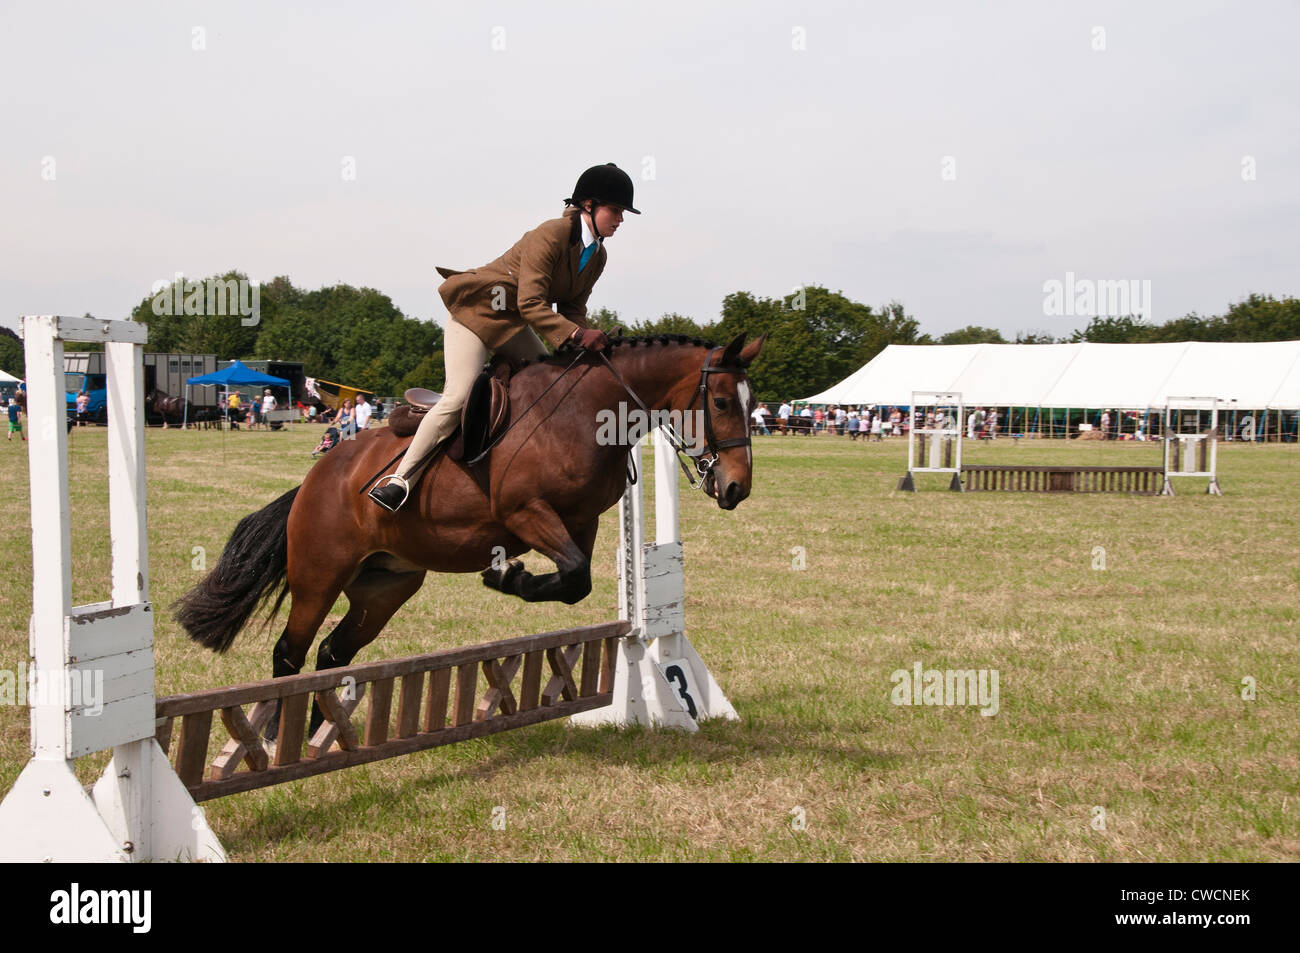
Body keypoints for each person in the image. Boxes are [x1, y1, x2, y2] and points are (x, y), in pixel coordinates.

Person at [370, 163, 638, 511]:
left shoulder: (597, 256)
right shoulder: (552, 233)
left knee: (551, 386)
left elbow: (572, 308)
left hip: (512, 325)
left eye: (621, 212)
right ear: (589, 205)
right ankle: (400, 480)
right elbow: (531, 303)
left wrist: (582, 341)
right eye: (615, 210)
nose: (620, 219)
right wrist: (575, 334)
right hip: (476, 315)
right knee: (458, 395)